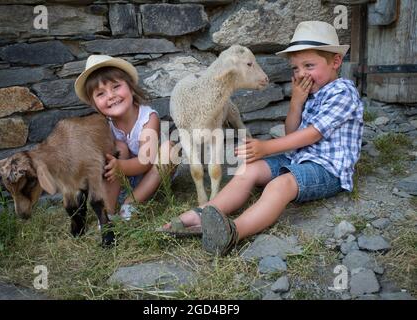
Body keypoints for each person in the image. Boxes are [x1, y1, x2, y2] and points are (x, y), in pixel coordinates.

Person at [159, 21, 364, 256]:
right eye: (296, 69)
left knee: (280, 185)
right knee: (249, 169)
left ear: (335, 62)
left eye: (309, 65)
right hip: (298, 160)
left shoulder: (343, 91)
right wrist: (296, 102)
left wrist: (266, 147)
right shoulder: (310, 92)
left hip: (328, 170)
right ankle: (197, 215)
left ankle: (233, 231)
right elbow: (291, 131)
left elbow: (312, 134)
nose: (301, 74)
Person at [75, 55, 176, 221]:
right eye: (101, 93)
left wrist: (120, 166)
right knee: (117, 148)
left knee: (170, 149)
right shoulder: (103, 125)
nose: (110, 96)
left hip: (151, 179)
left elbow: (146, 161)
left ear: (130, 87)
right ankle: (108, 214)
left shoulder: (148, 118)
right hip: (119, 183)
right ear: (94, 104)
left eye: (116, 86)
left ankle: (131, 205)